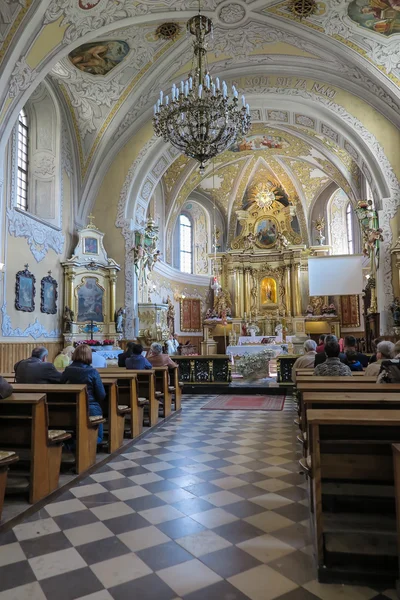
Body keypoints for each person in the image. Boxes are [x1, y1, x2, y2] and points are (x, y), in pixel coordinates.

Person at [60, 344, 105, 443]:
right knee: (99, 437)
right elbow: (101, 394)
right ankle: (87, 444)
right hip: (90, 407)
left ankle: (73, 443)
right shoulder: (92, 372)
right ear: (89, 356)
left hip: (70, 406)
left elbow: (60, 386)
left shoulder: (68, 370)